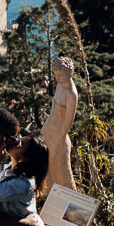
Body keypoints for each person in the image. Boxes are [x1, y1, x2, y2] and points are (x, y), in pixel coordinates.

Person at [40, 56, 78, 193]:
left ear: (69, 73)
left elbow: (68, 121)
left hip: (59, 138)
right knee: (48, 171)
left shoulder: (71, 95)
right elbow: (53, 111)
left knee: (63, 173)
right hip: (49, 132)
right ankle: (51, 204)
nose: (58, 78)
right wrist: (45, 129)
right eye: (56, 75)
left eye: (60, 75)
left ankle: (71, 207)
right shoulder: (59, 86)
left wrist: (60, 138)